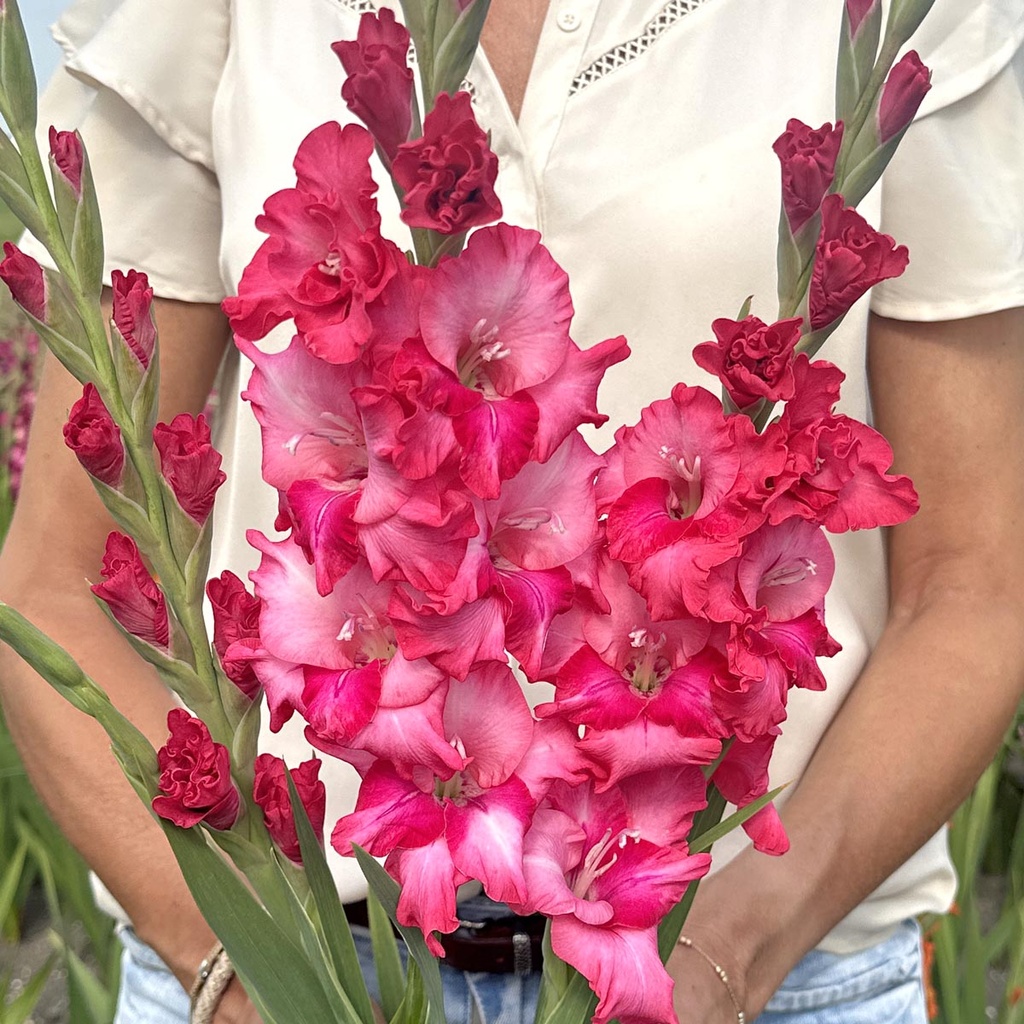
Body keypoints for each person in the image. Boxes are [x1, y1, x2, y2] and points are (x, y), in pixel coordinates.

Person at [1, 0, 1023, 1022]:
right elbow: (55, 577)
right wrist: (235, 970)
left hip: (759, 965)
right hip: (300, 972)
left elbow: (976, 585)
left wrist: (724, 953)